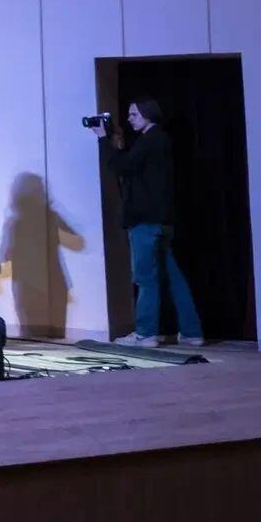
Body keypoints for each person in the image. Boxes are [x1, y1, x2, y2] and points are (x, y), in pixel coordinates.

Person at [91, 99, 204, 348]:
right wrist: (117, 145)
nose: (129, 119)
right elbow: (133, 167)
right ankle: (192, 332)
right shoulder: (159, 140)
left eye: (134, 114)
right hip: (163, 221)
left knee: (145, 278)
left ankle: (146, 333)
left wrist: (102, 139)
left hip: (145, 221)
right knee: (173, 278)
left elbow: (121, 166)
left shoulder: (149, 140)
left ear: (148, 114)